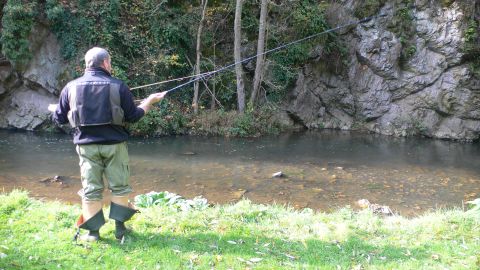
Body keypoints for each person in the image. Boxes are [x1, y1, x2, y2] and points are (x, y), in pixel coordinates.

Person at [51, 47, 167, 242]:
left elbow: (59, 119)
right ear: (105, 63)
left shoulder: (70, 87)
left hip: (86, 148)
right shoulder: (119, 86)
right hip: (115, 146)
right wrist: (149, 102)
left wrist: (55, 109)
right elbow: (134, 116)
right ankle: (120, 230)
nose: (110, 66)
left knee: (91, 189)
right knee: (120, 187)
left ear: (87, 64)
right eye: (110, 63)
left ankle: (93, 234)